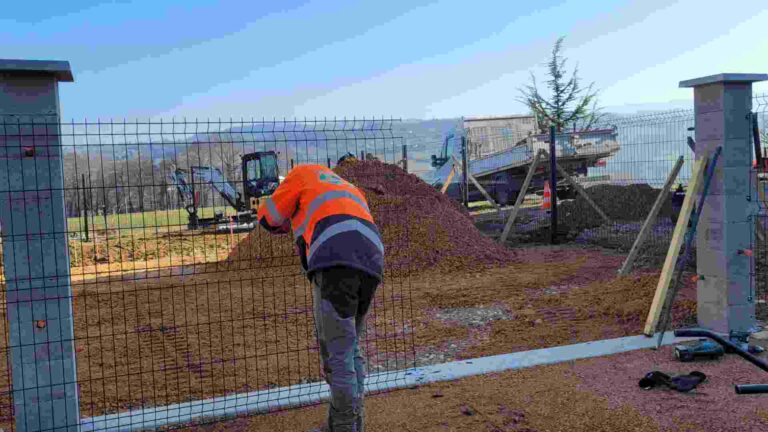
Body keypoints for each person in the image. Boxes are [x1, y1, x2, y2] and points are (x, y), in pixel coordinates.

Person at [256, 154, 384, 432]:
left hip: (335, 256)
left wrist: (278, 212)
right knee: (350, 348)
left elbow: (269, 217)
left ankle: (343, 426)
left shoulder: (300, 173)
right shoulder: (347, 187)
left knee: (337, 353)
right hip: (372, 256)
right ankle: (351, 423)